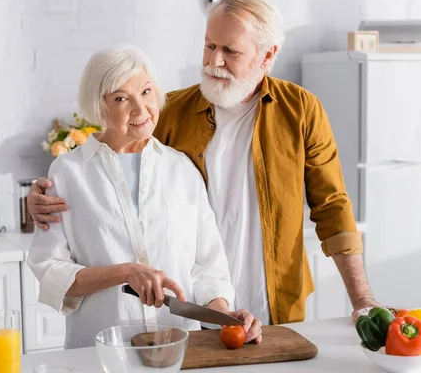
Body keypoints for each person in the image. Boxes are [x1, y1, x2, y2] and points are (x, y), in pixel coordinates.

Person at [27, 0, 381, 326]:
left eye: (230, 50)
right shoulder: (168, 111)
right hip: (189, 310)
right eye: (209, 45)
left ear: (267, 56)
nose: (214, 61)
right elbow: (119, 166)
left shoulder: (301, 111)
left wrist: (362, 298)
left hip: (274, 303)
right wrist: (46, 195)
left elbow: (332, 207)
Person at [27, 45, 262, 349]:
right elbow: (50, 271)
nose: (141, 109)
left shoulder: (182, 169)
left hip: (180, 352)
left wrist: (225, 316)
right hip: (103, 355)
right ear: (100, 106)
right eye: (121, 98)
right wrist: (123, 273)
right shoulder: (67, 173)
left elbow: (208, 267)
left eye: (147, 92)